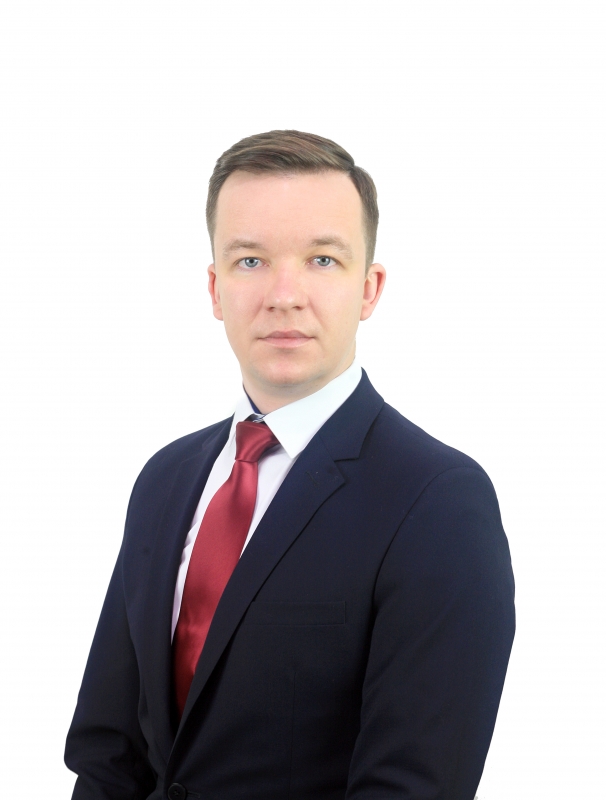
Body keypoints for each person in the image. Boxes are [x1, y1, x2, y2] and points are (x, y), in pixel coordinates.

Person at [65, 130, 515, 800]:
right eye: (250, 261)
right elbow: (109, 755)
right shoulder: (165, 480)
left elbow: (411, 788)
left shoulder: (439, 502)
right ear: (214, 288)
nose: (284, 294)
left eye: (322, 260)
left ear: (370, 289)